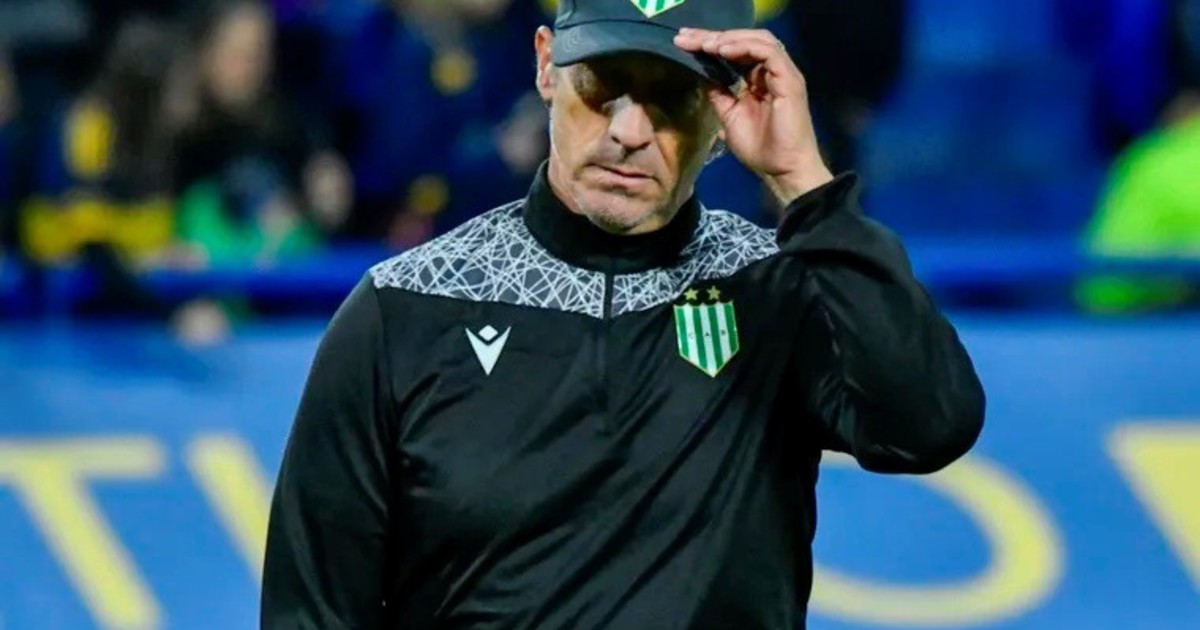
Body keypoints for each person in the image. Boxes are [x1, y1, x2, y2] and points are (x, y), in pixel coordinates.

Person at [261, 0, 986, 627]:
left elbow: (929, 426)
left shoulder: (777, 289)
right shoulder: (407, 307)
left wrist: (805, 183)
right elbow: (313, 610)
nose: (628, 129)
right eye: (603, 85)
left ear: (725, 107)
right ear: (546, 65)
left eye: (670, 95)